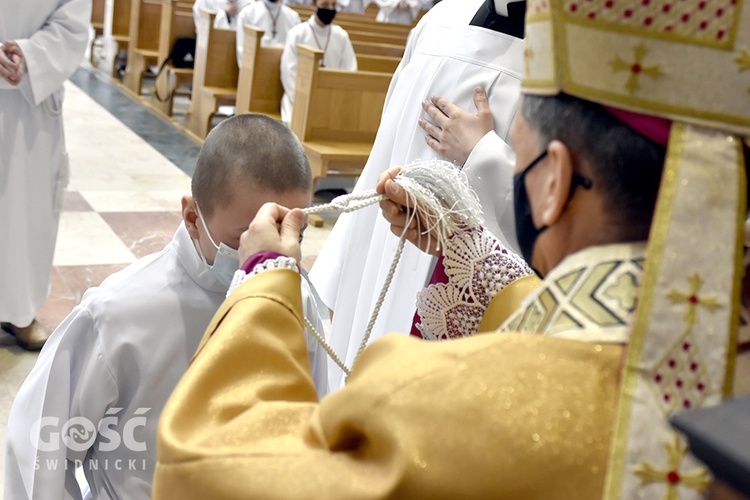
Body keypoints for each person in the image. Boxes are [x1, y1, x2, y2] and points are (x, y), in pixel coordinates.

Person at [151, 0, 750, 495]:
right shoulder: (723, 375)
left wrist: (265, 278)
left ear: (552, 181)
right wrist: (472, 257)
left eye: (518, 148)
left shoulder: (453, 404)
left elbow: (210, 465)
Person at [4, 114, 330, 500]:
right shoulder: (118, 312)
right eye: (246, 236)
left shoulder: (295, 302)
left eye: (288, 232)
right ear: (193, 217)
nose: (266, 254)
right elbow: (40, 445)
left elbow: (312, 425)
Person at [310, 0, 527, 389]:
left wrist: (483, 155)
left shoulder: (577, 60)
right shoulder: (440, 19)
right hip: (382, 247)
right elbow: (384, 148)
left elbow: (566, 214)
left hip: (468, 284)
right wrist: (341, 266)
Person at [0, 0, 91, 350]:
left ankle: (19, 311)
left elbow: (72, 22)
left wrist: (29, 55)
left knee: (25, 212)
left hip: (30, 104)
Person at [279, 0, 357, 123]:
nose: (330, 9)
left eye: (333, 5)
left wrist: (335, 100)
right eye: (325, 5)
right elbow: (289, 72)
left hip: (331, 101)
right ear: (313, 5)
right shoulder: (297, 33)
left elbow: (349, 71)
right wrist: (302, 99)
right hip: (298, 98)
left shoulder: (341, 36)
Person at [235, 0, 301, 67]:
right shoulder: (247, 13)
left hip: (283, 70)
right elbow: (242, 51)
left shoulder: (293, 17)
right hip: (255, 69)